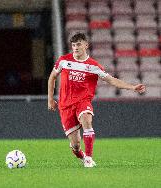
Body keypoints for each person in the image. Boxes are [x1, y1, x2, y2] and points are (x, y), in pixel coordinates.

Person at [47, 33, 146, 168]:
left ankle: (88, 158)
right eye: (73, 45)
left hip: (83, 101)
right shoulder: (63, 61)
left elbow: (111, 80)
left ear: (86, 45)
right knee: (75, 145)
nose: (75, 48)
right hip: (65, 106)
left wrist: (132, 87)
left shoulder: (93, 66)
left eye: (79, 44)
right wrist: (50, 99)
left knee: (87, 120)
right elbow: (52, 77)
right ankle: (81, 155)